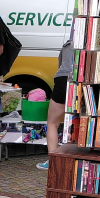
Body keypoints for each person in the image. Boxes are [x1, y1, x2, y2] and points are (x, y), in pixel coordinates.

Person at [37, 41, 74, 170]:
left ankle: (53, 161)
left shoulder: (68, 44)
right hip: (84, 81)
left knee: (52, 123)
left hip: (62, 81)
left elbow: (61, 64)